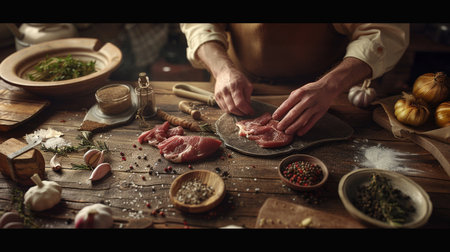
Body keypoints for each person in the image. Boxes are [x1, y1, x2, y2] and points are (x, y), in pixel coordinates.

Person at [180, 23, 409, 136]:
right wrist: (222, 70)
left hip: (327, 90)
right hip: (238, 82)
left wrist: (329, 85)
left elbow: (384, 31)